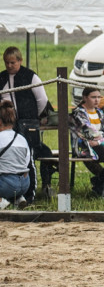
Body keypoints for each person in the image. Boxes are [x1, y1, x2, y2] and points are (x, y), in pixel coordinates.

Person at [0, 46, 49, 204]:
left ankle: (29, 195)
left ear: (20, 60)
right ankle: (12, 193)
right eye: (6, 63)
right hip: (9, 123)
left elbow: (42, 100)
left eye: (12, 62)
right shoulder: (1, 78)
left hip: (28, 123)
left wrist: (34, 116)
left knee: (30, 158)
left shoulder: (31, 76)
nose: (9, 66)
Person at [0, 101, 32, 210]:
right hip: (25, 183)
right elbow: (26, 161)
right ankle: (18, 198)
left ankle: (1, 202)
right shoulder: (21, 138)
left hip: (7, 185)